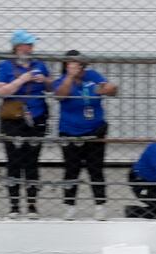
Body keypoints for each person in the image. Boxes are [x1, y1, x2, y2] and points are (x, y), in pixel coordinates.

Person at [51, 50, 117, 220]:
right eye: (72, 64)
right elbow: (60, 95)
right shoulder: (62, 80)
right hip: (70, 131)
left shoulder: (92, 75)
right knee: (72, 169)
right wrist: (70, 77)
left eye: (79, 64)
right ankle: (69, 205)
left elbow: (111, 89)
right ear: (66, 65)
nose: (77, 67)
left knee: (95, 168)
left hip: (95, 129)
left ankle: (100, 205)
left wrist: (106, 89)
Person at [0, 30, 50, 218]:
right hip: (13, 118)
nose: (31, 48)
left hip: (37, 117)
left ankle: (32, 205)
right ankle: (14, 206)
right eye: (28, 45)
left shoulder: (39, 64)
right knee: (14, 162)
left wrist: (45, 80)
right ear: (18, 47)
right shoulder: (5, 66)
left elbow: (51, 87)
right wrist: (23, 79)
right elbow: (1, 91)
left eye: (32, 45)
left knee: (32, 162)